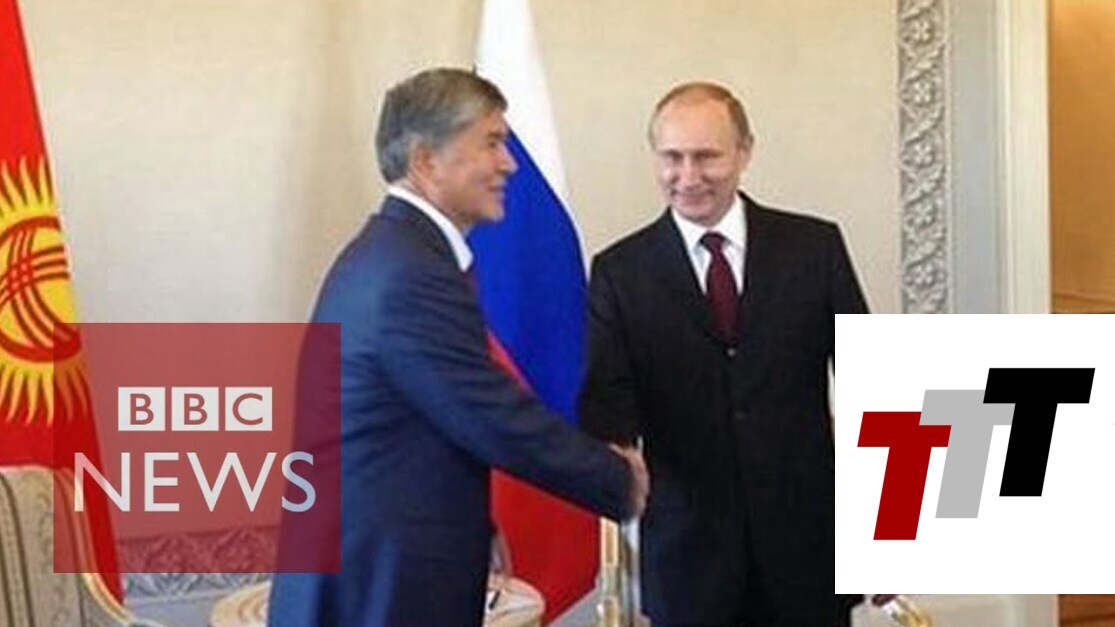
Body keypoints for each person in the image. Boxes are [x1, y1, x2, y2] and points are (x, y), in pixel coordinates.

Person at [268, 67, 648, 627]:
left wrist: (478, 522)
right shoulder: (408, 272)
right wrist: (615, 478)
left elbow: (419, 422)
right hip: (377, 590)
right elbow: (488, 410)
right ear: (427, 161)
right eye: (491, 143)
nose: (509, 164)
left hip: (382, 573)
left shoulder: (397, 253)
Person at [580, 81, 867, 626]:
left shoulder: (814, 248)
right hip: (688, 557)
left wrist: (888, 535)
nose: (688, 176)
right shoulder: (620, 272)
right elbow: (607, 409)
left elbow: (870, 389)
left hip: (807, 549)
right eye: (672, 157)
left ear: (744, 152)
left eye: (706, 156)